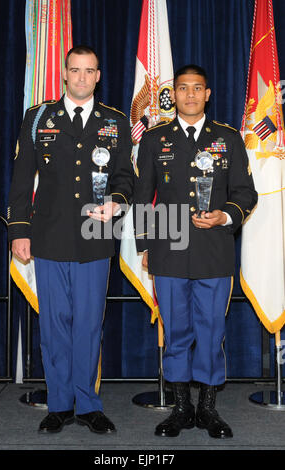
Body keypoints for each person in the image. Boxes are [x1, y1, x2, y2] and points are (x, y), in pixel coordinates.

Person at [8, 45, 133, 434]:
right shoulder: (38, 117)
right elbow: (20, 178)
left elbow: (125, 178)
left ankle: (88, 404)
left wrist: (117, 202)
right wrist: (18, 231)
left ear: (99, 76)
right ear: (64, 73)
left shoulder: (114, 120)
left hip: (95, 235)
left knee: (88, 325)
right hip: (49, 236)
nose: (81, 77)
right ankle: (59, 403)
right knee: (55, 325)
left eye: (89, 70)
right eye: (74, 70)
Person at [133, 64, 257, 439]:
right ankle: (181, 407)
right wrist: (146, 246)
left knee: (211, 330)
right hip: (169, 249)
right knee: (177, 331)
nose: (189, 94)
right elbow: (143, 197)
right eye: (183, 88)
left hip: (214, 251)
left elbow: (245, 194)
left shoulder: (228, 138)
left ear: (207, 94)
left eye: (196, 88)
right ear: (175, 96)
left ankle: (208, 408)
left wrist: (224, 216)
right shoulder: (155, 139)